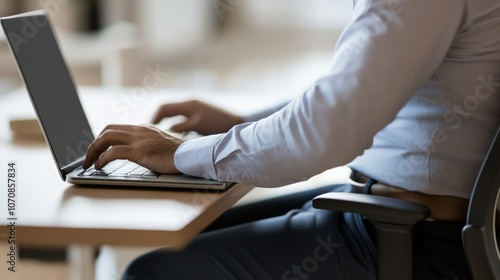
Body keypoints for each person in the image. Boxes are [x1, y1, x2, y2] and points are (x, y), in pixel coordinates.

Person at [83, 0, 500, 279]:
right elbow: (352, 93)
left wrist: (180, 153)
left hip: (415, 240)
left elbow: (327, 132)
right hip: (405, 215)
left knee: (152, 273)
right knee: (187, 233)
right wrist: (242, 123)